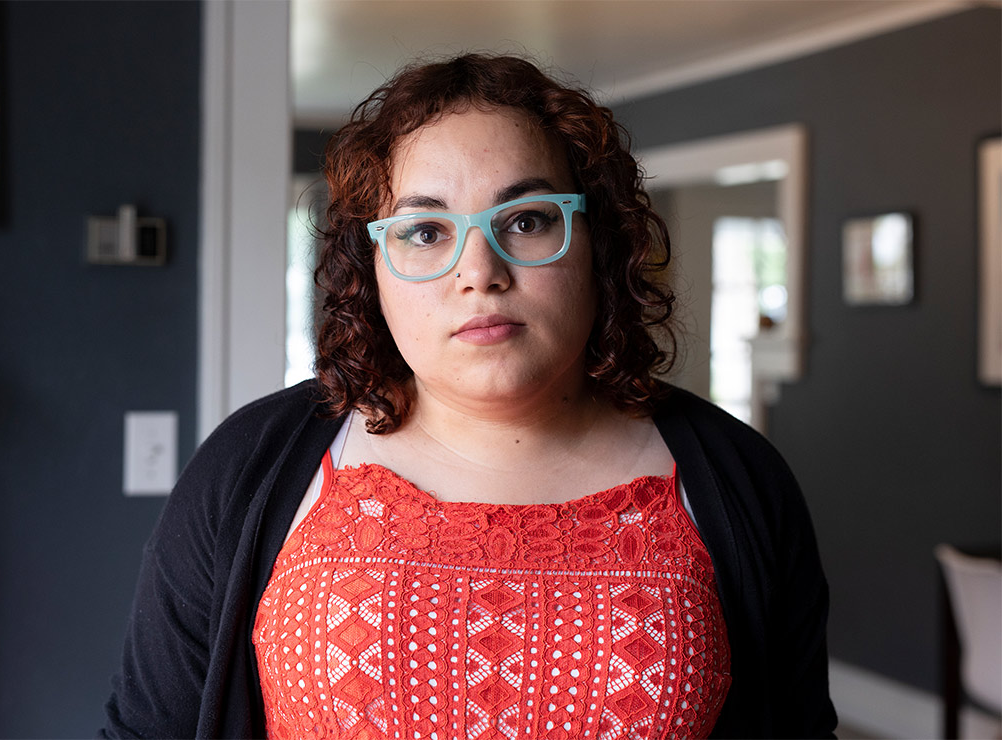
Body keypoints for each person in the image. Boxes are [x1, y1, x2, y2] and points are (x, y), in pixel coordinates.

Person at [101, 54, 836, 739]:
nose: (478, 270)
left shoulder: (742, 482)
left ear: (597, 242)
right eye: (425, 230)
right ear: (374, 268)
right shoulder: (249, 470)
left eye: (526, 219)